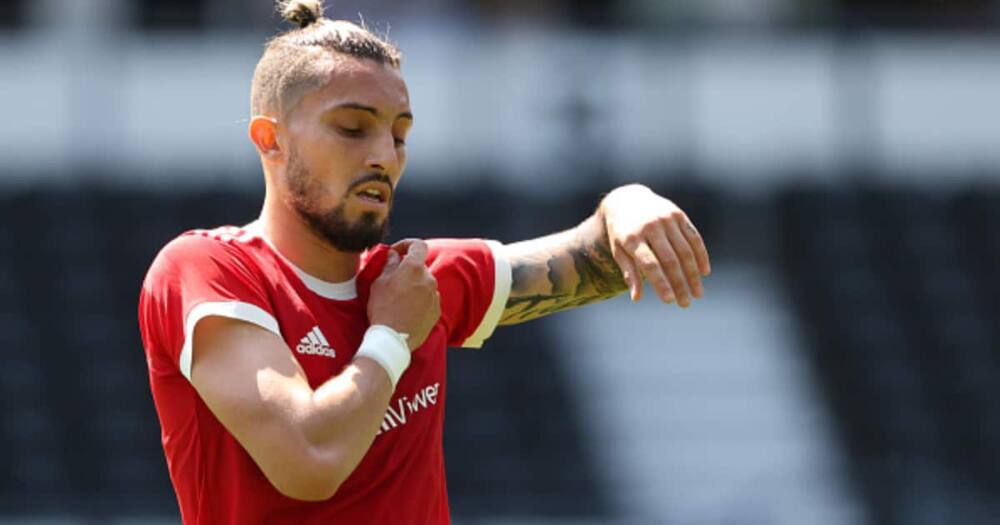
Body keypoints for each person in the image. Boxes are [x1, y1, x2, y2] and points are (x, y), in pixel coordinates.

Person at [137, 1, 711, 523]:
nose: (384, 156)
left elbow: (597, 260)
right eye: (353, 128)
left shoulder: (416, 281)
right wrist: (390, 338)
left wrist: (627, 202)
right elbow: (309, 459)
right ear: (271, 140)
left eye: (400, 135)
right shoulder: (207, 268)